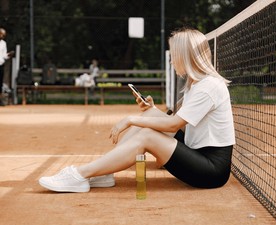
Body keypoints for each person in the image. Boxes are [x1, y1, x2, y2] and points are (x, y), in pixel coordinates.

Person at [38, 27, 236, 193]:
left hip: (211, 170)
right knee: (149, 115)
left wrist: (131, 119)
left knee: (147, 135)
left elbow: (174, 124)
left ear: (186, 57)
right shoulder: (196, 85)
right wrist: (151, 110)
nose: (171, 61)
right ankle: (105, 172)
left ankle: (80, 174)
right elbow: (180, 125)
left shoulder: (209, 86)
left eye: (174, 56)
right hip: (196, 151)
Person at [0, 28, 14, 105]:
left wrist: (8, 55)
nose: (3, 36)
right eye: (1, 34)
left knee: (0, 83)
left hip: (0, 65)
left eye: (4, 35)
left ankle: (0, 100)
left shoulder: (3, 43)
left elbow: (4, 56)